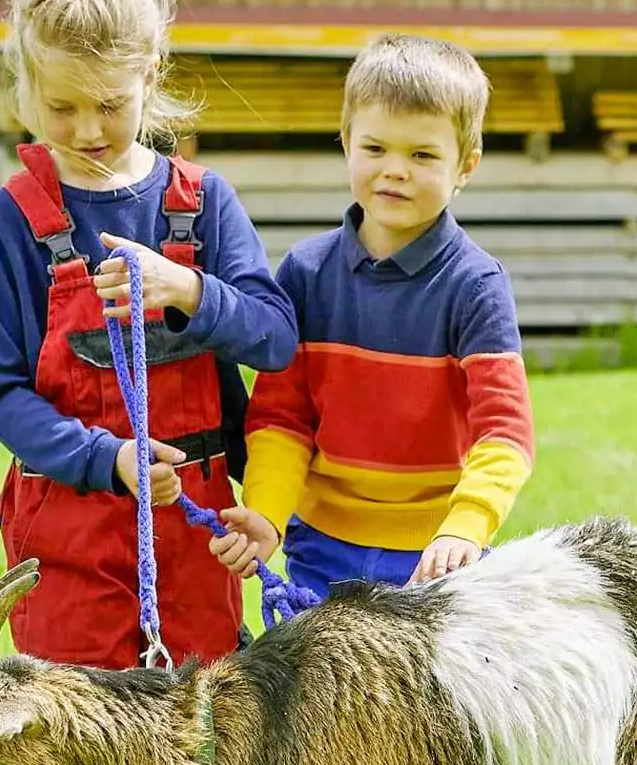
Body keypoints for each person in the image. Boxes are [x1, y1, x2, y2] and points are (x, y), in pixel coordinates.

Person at [0, 0, 298, 765]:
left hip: (189, 517)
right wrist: (103, 458)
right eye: (61, 106)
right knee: (84, 702)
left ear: (151, 74)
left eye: (109, 105)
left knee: (197, 693)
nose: (87, 128)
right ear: (22, 87)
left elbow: (273, 335)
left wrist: (187, 287)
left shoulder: (200, 205)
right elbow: (6, 396)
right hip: (71, 519)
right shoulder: (10, 223)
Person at [209, 32, 533, 600]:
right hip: (320, 546)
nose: (395, 170)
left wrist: (467, 526)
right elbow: (282, 420)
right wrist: (265, 513)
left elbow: (504, 431)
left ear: (467, 165)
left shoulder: (475, 286)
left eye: (423, 155)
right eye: (376, 148)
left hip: (437, 556)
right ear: (345, 144)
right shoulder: (306, 275)